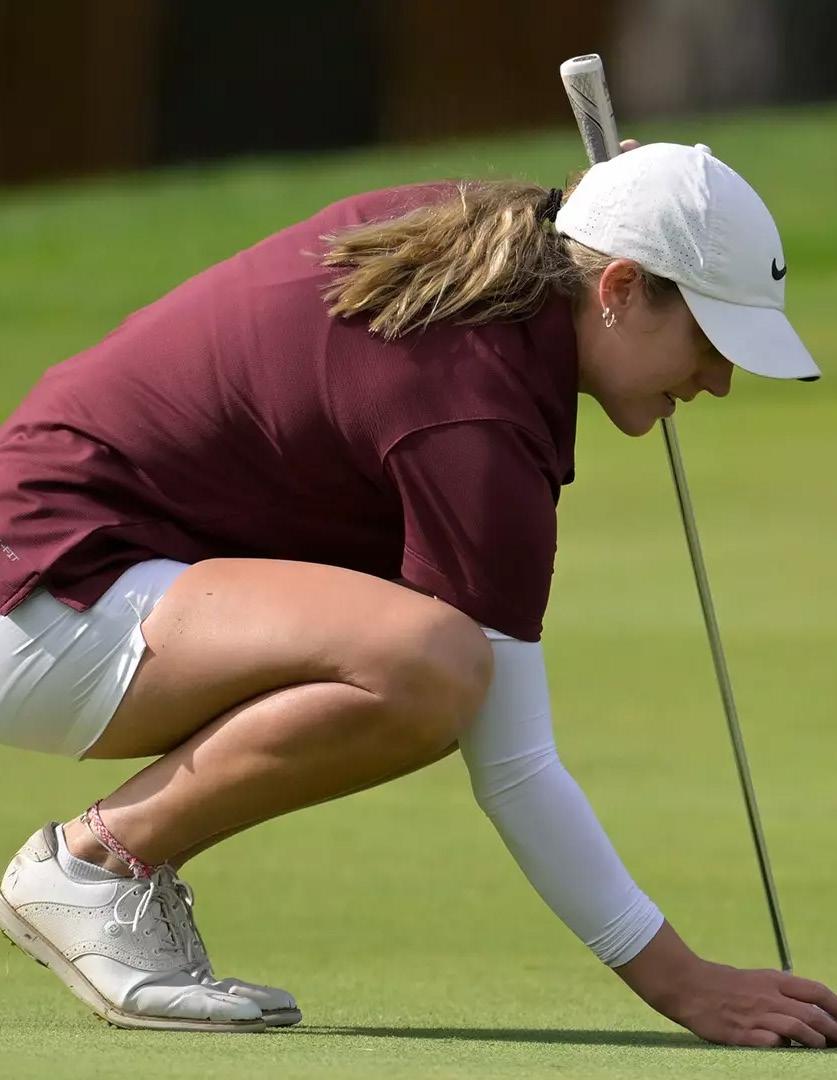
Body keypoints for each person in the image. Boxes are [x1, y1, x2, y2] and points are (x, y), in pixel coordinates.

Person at [0, 139, 832, 1045]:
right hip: (51, 594)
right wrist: (682, 983)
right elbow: (514, 765)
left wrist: (627, 199)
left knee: (429, 656)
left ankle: (105, 869)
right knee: (429, 664)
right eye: (709, 340)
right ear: (620, 288)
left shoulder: (499, 242)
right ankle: (94, 869)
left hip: (81, 581)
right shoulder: (473, 407)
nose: (720, 379)